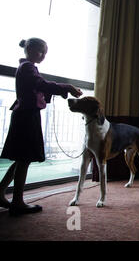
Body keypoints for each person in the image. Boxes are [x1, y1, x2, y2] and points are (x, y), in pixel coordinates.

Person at [0, 38, 83, 216]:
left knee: (21, 158)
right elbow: (41, 85)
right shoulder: (28, 67)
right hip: (26, 115)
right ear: (29, 49)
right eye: (40, 52)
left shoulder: (27, 68)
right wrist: (66, 87)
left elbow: (39, 86)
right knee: (24, 158)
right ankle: (17, 202)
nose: (43, 56)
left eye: (45, 53)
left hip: (25, 113)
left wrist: (57, 89)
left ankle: (1, 192)